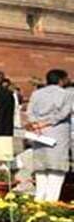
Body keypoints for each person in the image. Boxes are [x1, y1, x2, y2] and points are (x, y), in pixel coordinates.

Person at [25, 69, 72, 202]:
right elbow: (64, 113)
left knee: (41, 167)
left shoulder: (37, 93)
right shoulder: (66, 94)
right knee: (56, 168)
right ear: (61, 80)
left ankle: (39, 199)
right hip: (57, 133)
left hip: (39, 133)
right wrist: (46, 123)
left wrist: (36, 124)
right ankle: (51, 202)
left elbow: (29, 112)